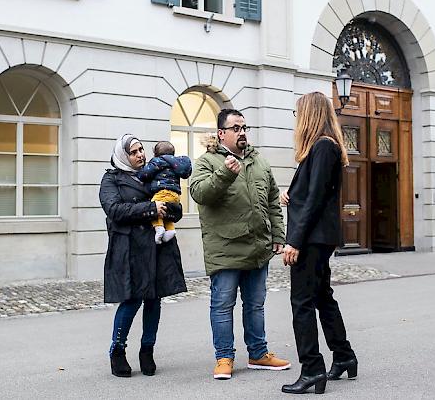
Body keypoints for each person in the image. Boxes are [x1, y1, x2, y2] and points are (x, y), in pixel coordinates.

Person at [190, 109, 291, 380]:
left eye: (244, 127)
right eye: (236, 128)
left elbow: (272, 201)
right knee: (222, 305)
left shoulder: (259, 161)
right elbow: (199, 193)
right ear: (221, 133)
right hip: (225, 249)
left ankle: (258, 353)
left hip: (258, 247)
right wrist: (224, 174)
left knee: (255, 304)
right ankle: (224, 357)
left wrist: (278, 236)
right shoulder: (207, 161)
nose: (242, 132)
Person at [280, 92, 357, 395]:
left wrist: (293, 242)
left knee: (302, 303)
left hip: (311, 239)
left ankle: (312, 369)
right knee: (323, 297)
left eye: (298, 113)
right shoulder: (321, 147)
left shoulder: (323, 146)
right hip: (318, 236)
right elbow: (311, 193)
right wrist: (291, 194)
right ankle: (344, 356)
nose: (296, 119)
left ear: (310, 115)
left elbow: (315, 200)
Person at [99, 133, 187, 377]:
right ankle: (117, 350)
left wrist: (169, 208)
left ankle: (147, 350)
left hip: (156, 247)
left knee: (154, 300)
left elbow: (175, 207)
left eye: (141, 150)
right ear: (123, 155)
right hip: (129, 249)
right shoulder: (111, 179)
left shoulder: (153, 173)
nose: (140, 155)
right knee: (131, 300)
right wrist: (151, 209)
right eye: (134, 151)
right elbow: (114, 209)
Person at [137, 141, 192, 244]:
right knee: (166, 212)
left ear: (156, 154)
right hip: (175, 196)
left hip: (163, 192)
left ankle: (159, 228)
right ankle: (170, 230)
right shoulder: (175, 163)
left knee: (155, 207)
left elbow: (145, 174)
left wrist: (139, 174)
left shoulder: (158, 161)